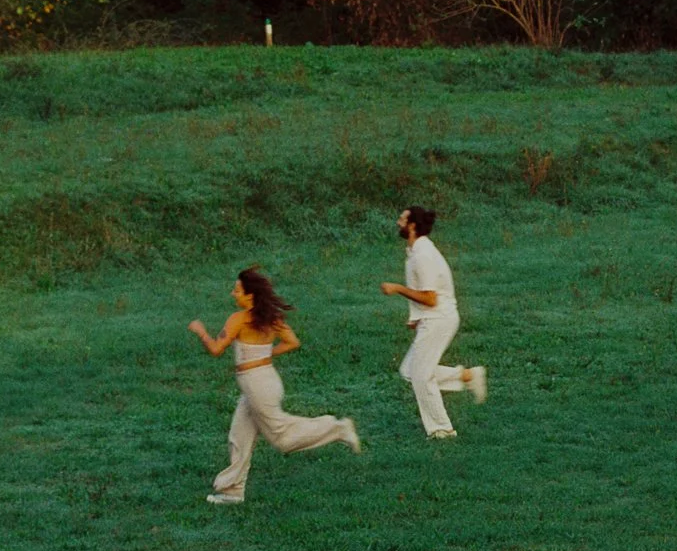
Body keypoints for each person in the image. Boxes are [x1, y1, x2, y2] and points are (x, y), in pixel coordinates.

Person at [190, 267, 361, 504]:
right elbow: (292, 342)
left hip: (258, 387)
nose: (233, 294)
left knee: (282, 439)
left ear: (250, 295)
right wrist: (263, 356)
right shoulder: (270, 318)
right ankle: (232, 491)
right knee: (240, 434)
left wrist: (201, 332)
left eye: (237, 290)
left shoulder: (238, 319)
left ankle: (338, 428)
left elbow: (216, 349)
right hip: (264, 381)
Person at [380, 206, 487, 439]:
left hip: (440, 319)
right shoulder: (415, 251)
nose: (398, 222)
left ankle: (442, 429)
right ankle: (467, 376)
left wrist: (397, 288)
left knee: (421, 375)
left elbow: (430, 298)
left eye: (402, 219)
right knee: (409, 370)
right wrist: (416, 318)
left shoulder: (423, 255)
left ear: (412, 226)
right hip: (432, 319)